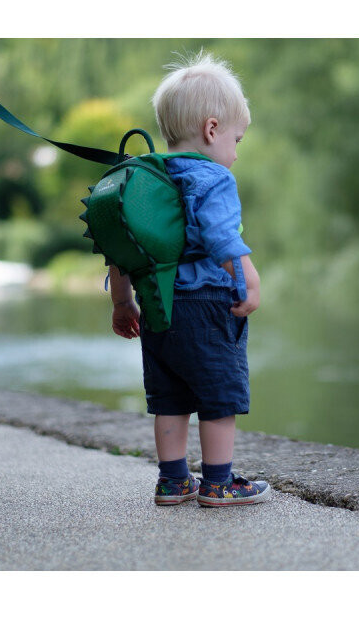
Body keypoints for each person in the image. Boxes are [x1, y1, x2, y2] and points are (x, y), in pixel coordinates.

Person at [108, 50, 271, 507]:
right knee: (219, 396)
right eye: (237, 140)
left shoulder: (144, 179)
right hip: (207, 303)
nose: (235, 153)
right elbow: (221, 237)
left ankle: (174, 480)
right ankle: (218, 482)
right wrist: (250, 281)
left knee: (170, 397)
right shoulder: (213, 178)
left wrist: (122, 302)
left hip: (156, 303)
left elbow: (121, 246)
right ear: (212, 129)